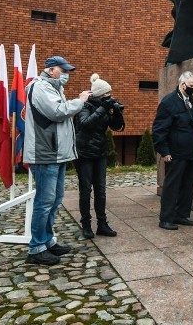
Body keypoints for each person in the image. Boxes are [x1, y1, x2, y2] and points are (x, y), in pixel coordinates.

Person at [24, 55, 91, 265]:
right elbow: (58, 112)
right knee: (44, 202)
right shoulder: (40, 87)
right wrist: (79, 101)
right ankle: (36, 248)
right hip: (45, 154)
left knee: (55, 199)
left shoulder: (54, 88)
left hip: (57, 154)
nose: (66, 75)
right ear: (51, 70)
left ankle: (47, 241)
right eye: (63, 71)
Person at [74, 73, 125, 239]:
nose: (109, 97)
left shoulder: (104, 106)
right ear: (99, 95)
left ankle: (102, 224)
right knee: (85, 190)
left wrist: (116, 113)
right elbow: (85, 124)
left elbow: (116, 127)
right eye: (107, 95)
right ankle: (86, 225)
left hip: (100, 153)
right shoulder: (84, 106)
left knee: (101, 191)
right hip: (84, 154)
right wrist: (104, 108)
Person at [152, 71, 193, 230]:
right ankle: (166, 218)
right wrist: (164, 151)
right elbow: (159, 129)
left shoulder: (190, 99)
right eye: (191, 86)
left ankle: (181, 215)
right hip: (175, 152)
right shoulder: (169, 101)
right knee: (172, 186)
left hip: (191, 151)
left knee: (187, 185)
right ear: (182, 85)